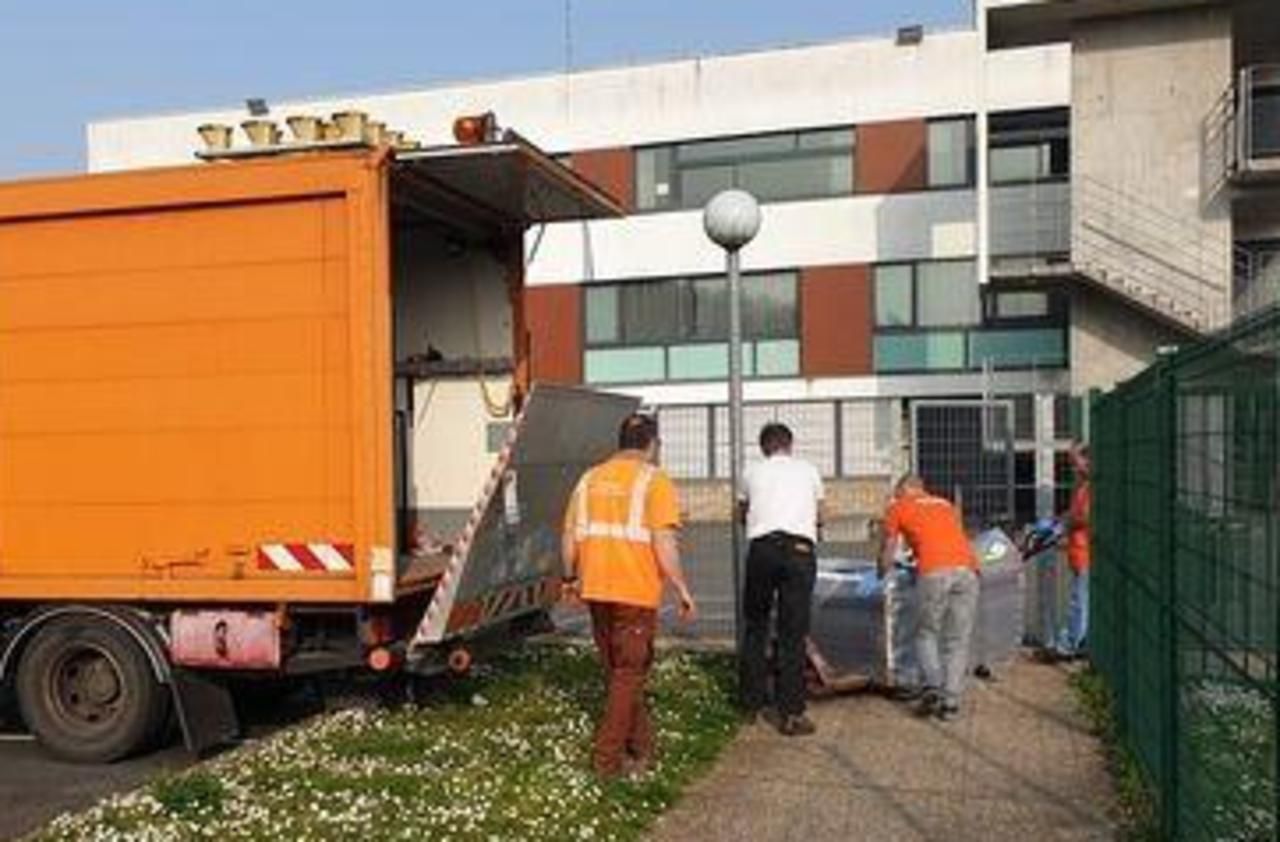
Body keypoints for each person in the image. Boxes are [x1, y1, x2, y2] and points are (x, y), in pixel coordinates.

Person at [561, 413, 697, 779]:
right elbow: (664, 542)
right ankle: (606, 762)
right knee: (628, 673)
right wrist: (681, 587)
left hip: (595, 589)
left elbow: (569, 535)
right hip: (634, 592)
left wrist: (570, 577)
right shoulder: (655, 480)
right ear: (652, 444)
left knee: (620, 673)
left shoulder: (588, 479)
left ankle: (643, 746)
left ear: (621, 441)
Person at [738, 422, 825, 736]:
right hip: (800, 550)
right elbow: (821, 515)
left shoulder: (750, 471)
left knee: (756, 625)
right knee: (792, 632)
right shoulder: (809, 470)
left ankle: (750, 704)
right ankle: (791, 713)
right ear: (790, 445)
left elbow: (742, 512)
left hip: (762, 549)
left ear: (763, 448)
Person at [877, 475, 979, 721]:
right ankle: (951, 703)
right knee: (957, 639)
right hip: (968, 570)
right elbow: (946, 537)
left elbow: (889, 548)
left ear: (905, 489)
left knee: (926, 633)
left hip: (934, 572)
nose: (896, 496)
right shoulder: (945, 505)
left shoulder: (897, 507)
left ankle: (932, 687)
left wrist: (880, 572)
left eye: (897, 492)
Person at [1058, 443, 1091, 657]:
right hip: (1079, 550)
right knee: (1080, 599)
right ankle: (1078, 641)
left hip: (1085, 552)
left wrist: (1066, 524)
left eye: (1075, 462)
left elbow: (1082, 517)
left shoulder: (1090, 488)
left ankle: (1071, 642)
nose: (1073, 468)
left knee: (1079, 601)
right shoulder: (1083, 487)